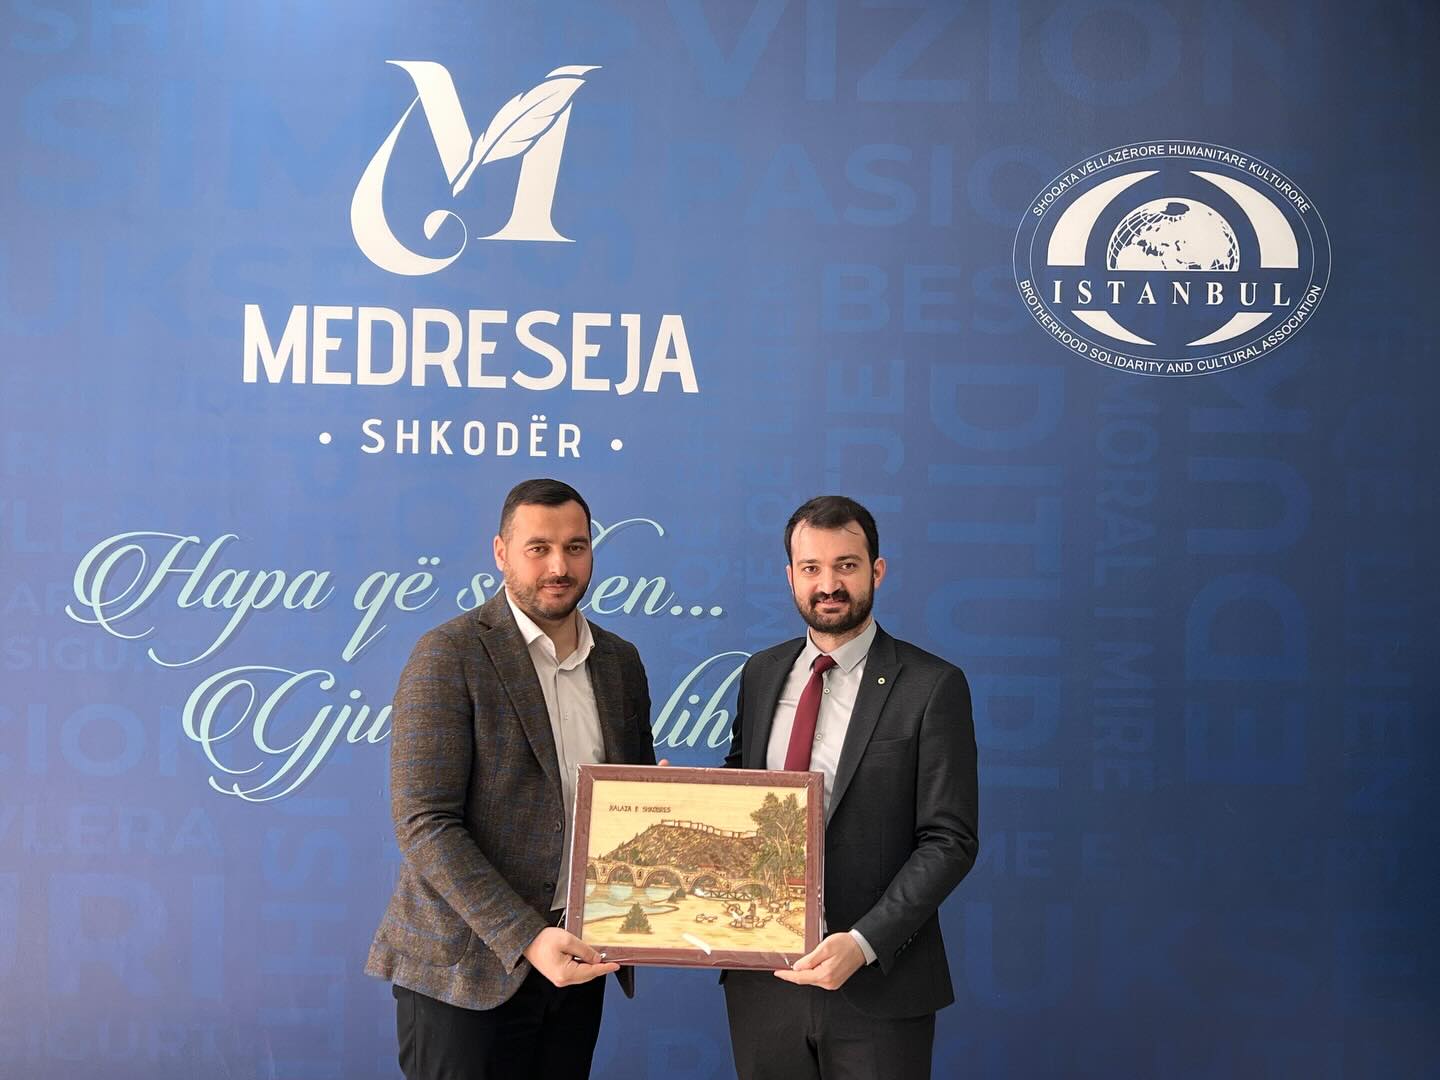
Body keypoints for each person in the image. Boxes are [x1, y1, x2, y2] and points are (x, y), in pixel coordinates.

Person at [365, 478, 655, 1080]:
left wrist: (660, 800)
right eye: (538, 548)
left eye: (575, 547)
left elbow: (624, 801)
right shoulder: (449, 654)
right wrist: (526, 937)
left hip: (577, 962)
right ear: (501, 553)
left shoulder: (620, 662)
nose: (559, 566)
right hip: (464, 970)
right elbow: (425, 823)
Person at [722, 495, 979, 1080]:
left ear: (876, 571)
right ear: (790, 577)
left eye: (846, 565)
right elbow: (742, 798)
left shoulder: (932, 686)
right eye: (811, 568)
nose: (829, 584)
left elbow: (950, 840)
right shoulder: (761, 673)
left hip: (878, 982)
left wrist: (862, 943)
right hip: (763, 984)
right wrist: (672, 795)